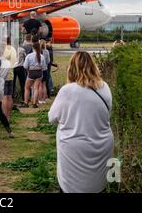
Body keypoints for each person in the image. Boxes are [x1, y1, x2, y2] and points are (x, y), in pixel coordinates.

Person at [48, 51, 113, 193]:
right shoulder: (105, 87)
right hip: (102, 145)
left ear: (72, 68)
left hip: (74, 148)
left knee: (71, 187)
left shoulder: (67, 90)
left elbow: (52, 117)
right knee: (97, 185)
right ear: (93, 66)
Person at [22, 42, 46, 108]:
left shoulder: (29, 56)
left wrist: (29, 70)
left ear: (33, 48)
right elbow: (44, 67)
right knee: (36, 88)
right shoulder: (42, 56)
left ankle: (26, 103)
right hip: (39, 73)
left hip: (31, 72)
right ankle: (35, 103)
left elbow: (25, 66)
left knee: (27, 88)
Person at [13, 34, 33, 101]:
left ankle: (12, 97)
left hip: (13, 67)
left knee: (12, 84)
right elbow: (25, 57)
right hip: (20, 67)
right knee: (23, 83)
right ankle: (24, 98)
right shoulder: (22, 49)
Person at [39, 40, 50, 104]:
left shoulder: (38, 52)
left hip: (39, 69)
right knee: (44, 85)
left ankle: (40, 99)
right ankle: (44, 99)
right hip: (45, 69)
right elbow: (48, 61)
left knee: (40, 85)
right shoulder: (47, 51)